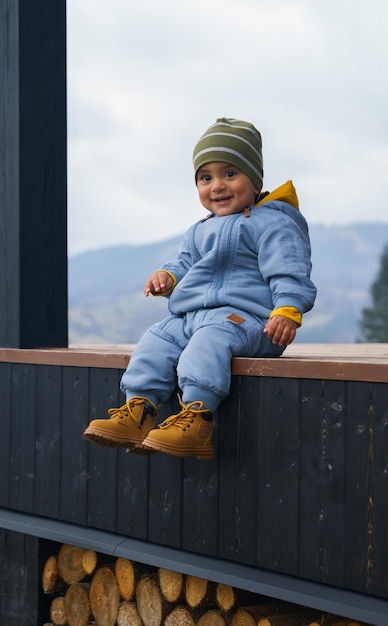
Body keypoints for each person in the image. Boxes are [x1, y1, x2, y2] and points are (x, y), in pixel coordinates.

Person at [83, 118, 317, 460]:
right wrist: (167, 276)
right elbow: (183, 262)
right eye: (206, 178)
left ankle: (197, 419)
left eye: (230, 174)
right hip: (194, 316)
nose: (217, 185)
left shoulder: (274, 224)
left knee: (209, 340)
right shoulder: (201, 229)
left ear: (254, 179)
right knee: (156, 338)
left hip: (250, 321)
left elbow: (290, 268)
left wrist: (288, 309)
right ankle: (139, 410)